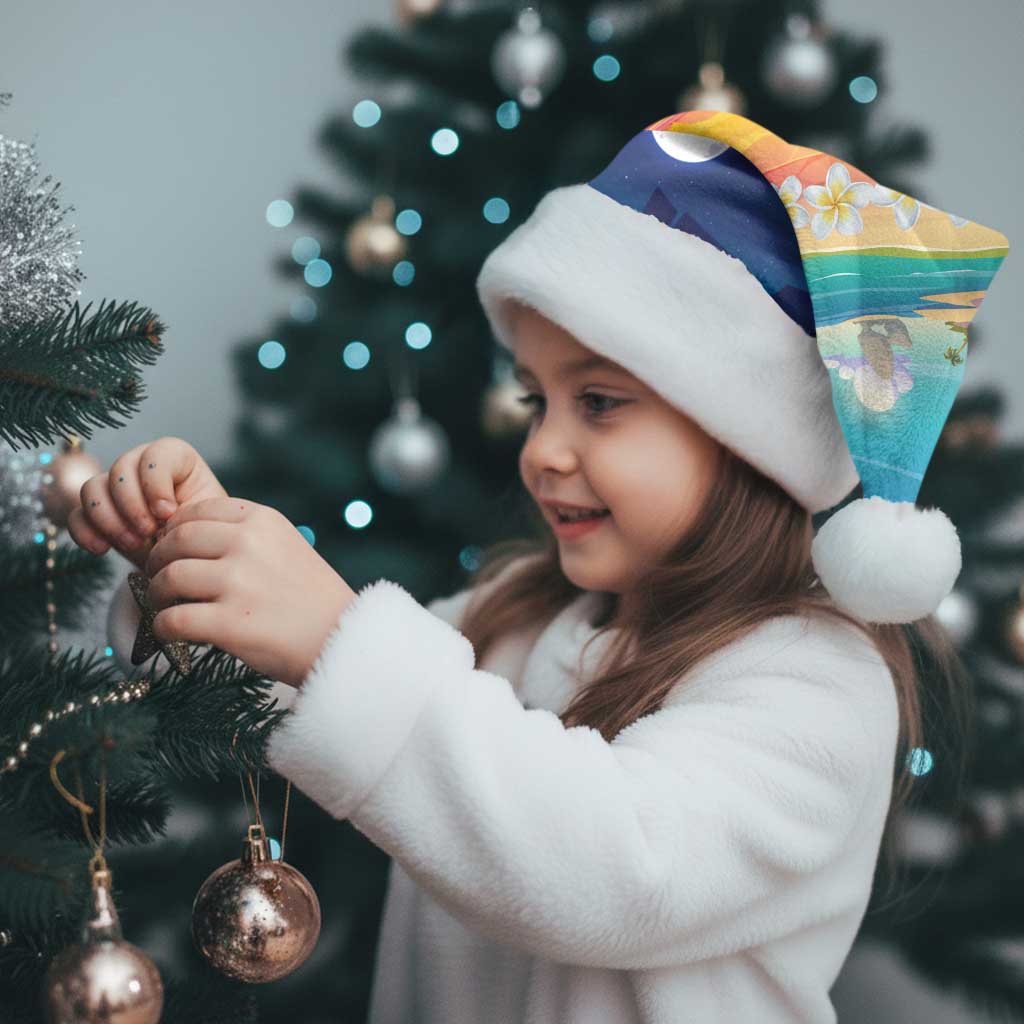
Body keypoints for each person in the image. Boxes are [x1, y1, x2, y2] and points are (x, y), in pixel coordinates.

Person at [75, 109, 1010, 1023]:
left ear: (747, 440)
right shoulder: (515, 616)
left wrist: (334, 635)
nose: (543, 450)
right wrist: (192, 564)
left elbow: (615, 871)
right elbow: (305, 691)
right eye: (536, 401)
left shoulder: (818, 683)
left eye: (598, 402)